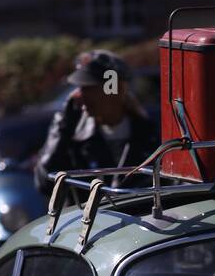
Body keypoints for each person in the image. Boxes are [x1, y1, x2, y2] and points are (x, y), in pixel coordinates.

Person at [34, 50, 156, 195]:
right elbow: (45, 183)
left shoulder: (150, 137)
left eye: (89, 87)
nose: (80, 95)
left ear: (117, 89)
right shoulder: (73, 136)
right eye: (80, 87)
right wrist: (63, 125)